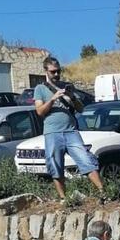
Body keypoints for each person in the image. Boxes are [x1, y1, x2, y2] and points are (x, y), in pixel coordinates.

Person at [34, 56, 107, 203]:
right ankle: (64, 199)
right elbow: (40, 111)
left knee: (86, 160)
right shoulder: (40, 89)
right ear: (46, 71)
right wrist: (53, 98)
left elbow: (81, 109)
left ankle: (103, 193)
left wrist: (71, 97)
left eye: (58, 71)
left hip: (71, 131)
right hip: (52, 132)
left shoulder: (67, 86)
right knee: (55, 165)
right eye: (53, 72)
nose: (56, 74)